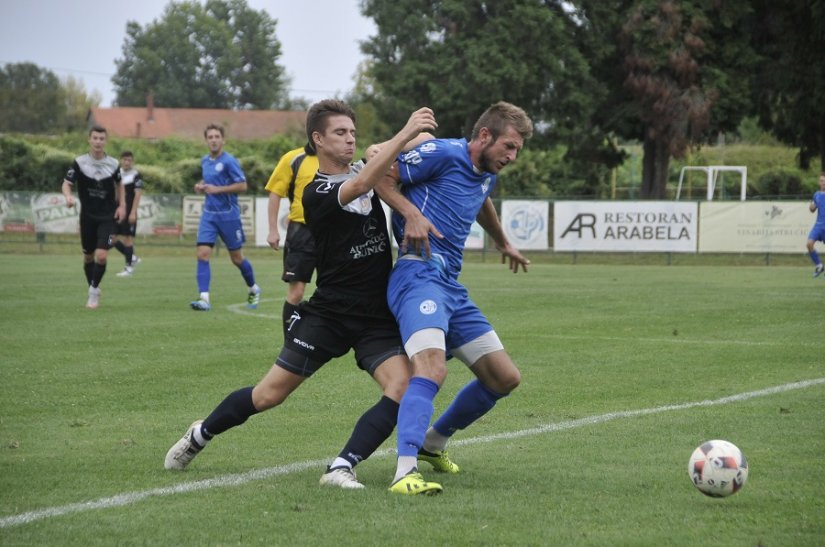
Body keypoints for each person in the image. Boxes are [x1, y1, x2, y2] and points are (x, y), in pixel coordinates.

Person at [164, 100, 438, 489]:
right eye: (340, 133)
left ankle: (341, 466)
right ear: (317, 139)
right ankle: (200, 434)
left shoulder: (366, 166)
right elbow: (359, 186)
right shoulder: (316, 192)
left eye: (353, 133)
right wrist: (404, 132)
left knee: (403, 387)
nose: (350, 140)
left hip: (375, 316)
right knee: (268, 395)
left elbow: (424, 139)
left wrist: (393, 141)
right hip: (328, 314)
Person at [377, 101, 534, 495]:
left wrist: (503, 243)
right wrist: (411, 213)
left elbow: (482, 199)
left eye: (517, 150)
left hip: (450, 284)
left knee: (504, 378)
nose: (512, 157)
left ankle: (434, 442)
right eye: (509, 147)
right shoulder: (443, 152)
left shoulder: (486, 174)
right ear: (484, 136)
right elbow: (380, 174)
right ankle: (404, 472)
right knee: (431, 369)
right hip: (416, 274)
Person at [190, 124, 261, 311]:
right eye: (210, 137)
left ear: (223, 140)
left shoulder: (230, 161)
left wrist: (217, 189)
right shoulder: (205, 161)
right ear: (206, 140)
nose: (213, 139)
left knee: (237, 259)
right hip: (209, 216)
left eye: (216, 136)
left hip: (229, 216)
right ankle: (204, 298)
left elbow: (242, 185)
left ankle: (253, 288)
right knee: (202, 254)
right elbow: (210, 183)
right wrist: (201, 186)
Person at [62, 125, 126, 309]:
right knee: (88, 257)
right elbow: (66, 184)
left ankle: (93, 291)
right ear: (89, 140)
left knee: (102, 255)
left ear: (106, 141)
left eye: (101, 139)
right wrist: (68, 196)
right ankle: (93, 287)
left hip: (108, 216)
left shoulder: (114, 164)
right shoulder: (79, 162)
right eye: (95, 138)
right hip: (87, 217)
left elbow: (120, 185)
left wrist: (122, 206)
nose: (98, 142)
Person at [264, 143, 320, 338]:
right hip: (301, 232)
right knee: (296, 292)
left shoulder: (339, 158)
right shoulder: (293, 159)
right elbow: (275, 193)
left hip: (331, 231)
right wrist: (272, 230)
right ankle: (291, 342)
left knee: (332, 289)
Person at [113, 151, 144, 277]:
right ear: (121, 160)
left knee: (128, 239)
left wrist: (133, 213)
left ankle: (129, 269)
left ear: (132, 161)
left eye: (129, 160)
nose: (127, 162)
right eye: (124, 159)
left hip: (129, 211)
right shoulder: (116, 173)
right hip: (117, 212)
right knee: (111, 239)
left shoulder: (136, 175)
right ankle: (133, 257)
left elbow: (137, 194)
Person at [806, 171, 825, 277]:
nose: (823, 183)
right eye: (822, 181)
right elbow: (812, 209)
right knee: (809, 244)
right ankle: (819, 266)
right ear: (819, 182)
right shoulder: (816, 195)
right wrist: (811, 206)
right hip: (818, 225)